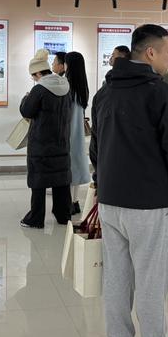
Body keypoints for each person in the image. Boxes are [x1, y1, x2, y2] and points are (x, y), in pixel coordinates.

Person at [90, 24, 168, 337]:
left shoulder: (104, 93)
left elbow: (95, 149)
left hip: (110, 200)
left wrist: (101, 184)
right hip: (147, 202)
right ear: (151, 52)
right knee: (151, 276)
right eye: (167, 52)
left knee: (116, 274)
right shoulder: (161, 94)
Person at [19, 49, 73, 228]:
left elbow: (27, 111)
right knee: (61, 181)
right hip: (62, 142)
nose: (34, 79)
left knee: (39, 181)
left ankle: (36, 218)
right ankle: (63, 214)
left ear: (38, 73)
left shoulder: (39, 89)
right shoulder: (65, 86)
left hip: (41, 144)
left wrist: (25, 98)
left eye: (33, 76)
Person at [65, 51, 91, 215]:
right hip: (78, 133)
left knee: (68, 167)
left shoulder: (66, 86)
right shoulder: (82, 88)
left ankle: (68, 202)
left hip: (67, 131)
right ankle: (74, 202)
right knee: (76, 165)